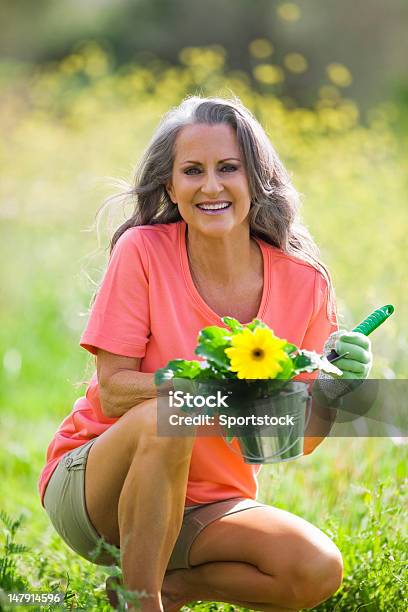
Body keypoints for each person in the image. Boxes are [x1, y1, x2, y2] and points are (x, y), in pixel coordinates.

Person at [38, 95, 372, 612]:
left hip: (209, 503)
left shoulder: (304, 283)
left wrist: (334, 389)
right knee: (168, 415)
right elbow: (114, 390)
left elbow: (291, 442)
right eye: (192, 170)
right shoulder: (144, 251)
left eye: (228, 168)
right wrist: (205, 392)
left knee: (315, 568)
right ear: (170, 187)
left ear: (256, 179)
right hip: (97, 490)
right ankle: (140, 601)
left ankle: (174, 589)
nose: (211, 186)